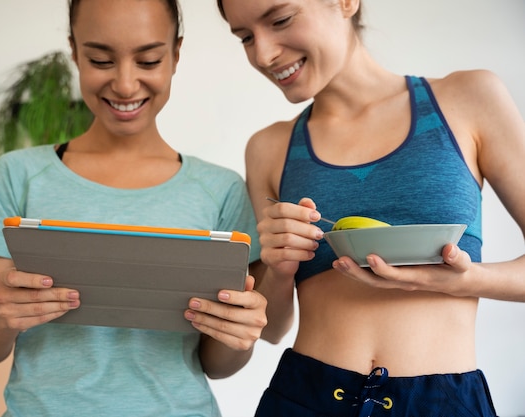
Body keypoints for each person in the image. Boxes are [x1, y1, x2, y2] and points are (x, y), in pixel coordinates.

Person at [0, 0, 268, 416]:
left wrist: (237, 334)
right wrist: (4, 315)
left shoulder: (220, 190)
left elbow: (217, 365)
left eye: (149, 59)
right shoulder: (18, 175)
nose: (124, 84)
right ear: (74, 52)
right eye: (100, 59)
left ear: (175, 54)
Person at [216, 0, 525, 416]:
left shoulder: (469, 98)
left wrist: (461, 281)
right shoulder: (268, 148)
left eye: (281, 20)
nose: (263, 54)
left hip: (443, 404)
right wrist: (280, 265)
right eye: (245, 37)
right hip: (304, 397)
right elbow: (271, 328)